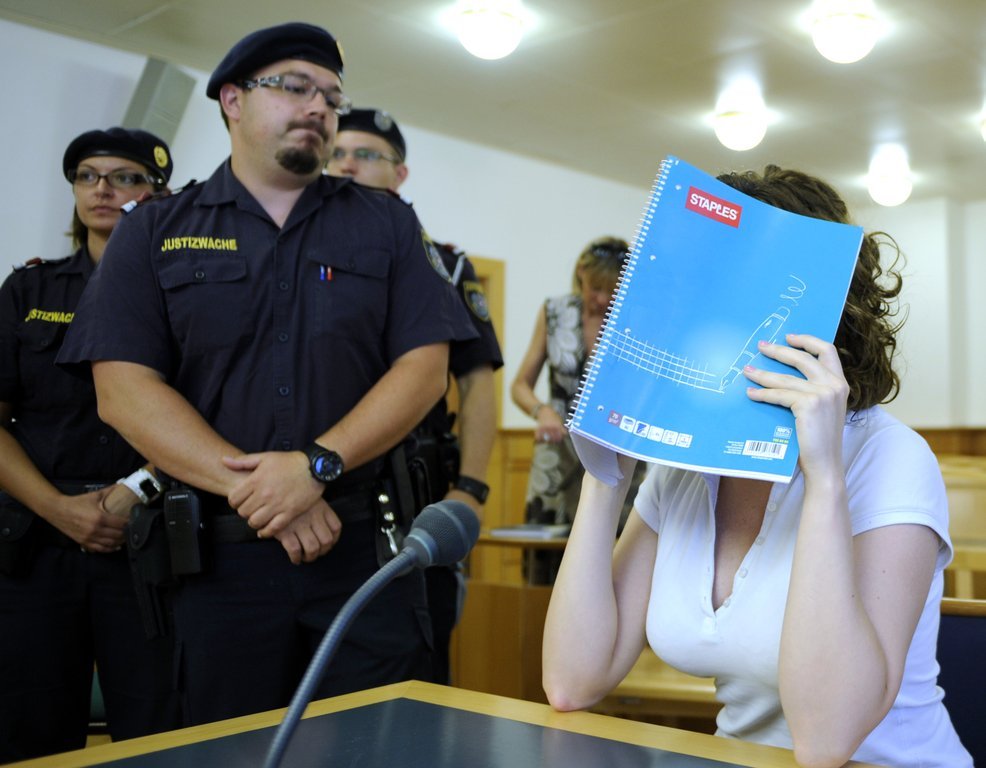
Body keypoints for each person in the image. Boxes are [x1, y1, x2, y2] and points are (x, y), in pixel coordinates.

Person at [57, 22, 475, 727]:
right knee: (229, 749)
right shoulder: (154, 230)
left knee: (375, 746)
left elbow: (425, 369)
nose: (318, 106)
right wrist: (262, 490)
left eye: (331, 97)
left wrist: (314, 466)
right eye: (294, 87)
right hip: (219, 563)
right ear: (233, 100)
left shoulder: (387, 225)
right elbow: (123, 390)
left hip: (361, 551)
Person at [542, 166, 972, 768]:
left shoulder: (891, 458)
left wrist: (823, 479)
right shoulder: (685, 468)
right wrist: (604, 469)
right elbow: (572, 681)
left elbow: (825, 742)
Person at [0, 127, 181, 762]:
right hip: (37, 542)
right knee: (31, 734)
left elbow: (211, 416)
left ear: (158, 194)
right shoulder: (29, 290)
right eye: (88, 176)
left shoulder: (185, 293)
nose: (103, 189)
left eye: (125, 177)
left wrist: (135, 491)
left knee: (157, 734)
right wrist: (58, 509)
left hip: (150, 539)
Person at [327, 107, 503, 685]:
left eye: (365, 155)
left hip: (411, 495)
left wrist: (471, 488)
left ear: (400, 174)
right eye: (337, 154)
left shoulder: (444, 265)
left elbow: (477, 381)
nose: (347, 165)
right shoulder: (301, 256)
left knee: (412, 671)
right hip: (318, 493)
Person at [510, 236, 647, 583]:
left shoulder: (636, 319)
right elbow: (519, 385)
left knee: (612, 562)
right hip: (557, 456)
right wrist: (542, 411)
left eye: (611, 291)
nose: (601, 299)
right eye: (595, 288)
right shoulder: (555, 312)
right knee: (545, 562)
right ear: (581, 273)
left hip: (615, 453)